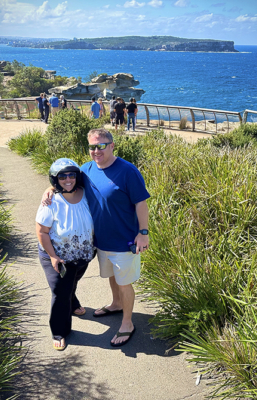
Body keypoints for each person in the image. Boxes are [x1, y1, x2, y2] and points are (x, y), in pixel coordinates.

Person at [42, 129, 150, 347]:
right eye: (92, 146)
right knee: (112, 276)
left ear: (112, 145)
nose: (96, 151)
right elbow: (66, 181)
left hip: (125, 241)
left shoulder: (128, 171)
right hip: (100, 241)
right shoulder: (87, 169)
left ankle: (127, 323)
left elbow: (141, 203)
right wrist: (49, 189)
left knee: (125, 282)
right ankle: (116, 304)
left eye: (101, 146)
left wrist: (143, 232)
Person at [36, 158, 95, 351]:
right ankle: (59, 331)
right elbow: (42, 232)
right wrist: (53, 256)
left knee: (72, 281)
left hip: (82, 253)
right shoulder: (51, 201)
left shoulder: (86, 193)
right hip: (56, 255)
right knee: (60, 291)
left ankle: (73, 301)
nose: (68, 179)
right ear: (55, 179)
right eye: (62, 176)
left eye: (71, 175)